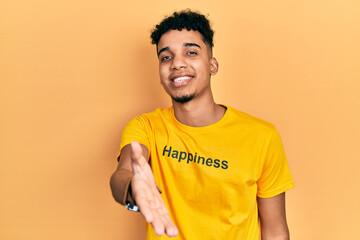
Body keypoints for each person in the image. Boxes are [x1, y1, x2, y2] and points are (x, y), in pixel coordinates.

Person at [110, 9, 294, 240]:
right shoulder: (146, 126)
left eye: (191, 52)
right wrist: (133, 188)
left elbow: (275, 231)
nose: (177, 63)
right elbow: (122, 174)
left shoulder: (262, 136)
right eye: (166, 57)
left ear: (212, 65)